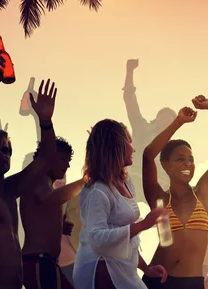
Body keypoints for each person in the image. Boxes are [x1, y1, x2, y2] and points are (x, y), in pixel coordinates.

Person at [0, 55, 57, 289]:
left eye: (7, 150)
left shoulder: (10, 190)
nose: (3, 154)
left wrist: (45, 121)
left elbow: (47, 160)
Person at [141, 95, 208, 289]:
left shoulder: (204, 194)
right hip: (157, 282)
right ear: (166, 166)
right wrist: (178, 122)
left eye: (191, 159)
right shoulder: (159, 199)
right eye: (180, 159)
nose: (188, 163)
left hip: (192, 283)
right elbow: (148, 155)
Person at [73, 119, 168, 289]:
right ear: (115, 146)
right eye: (129, 143)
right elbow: (97, 238)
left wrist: (146, 268)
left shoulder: (126, 183)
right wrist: (143, 224)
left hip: (124, 267)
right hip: (100, 267)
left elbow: (125, 237)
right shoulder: (97, 190)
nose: (133, 148)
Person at [20, 137, 84, 289]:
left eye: (68, 160)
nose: (67, 165)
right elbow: (50, 199)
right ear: (49, 159)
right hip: (37, 261)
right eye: (63, 159)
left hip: (47, 262)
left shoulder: (46, 184)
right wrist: (85, 180)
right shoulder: (37, 180)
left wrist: (60, 227)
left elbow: (39, 220)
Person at [123, 58, 175, 200]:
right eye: (164, 117)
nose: (166, 122)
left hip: (159, 190)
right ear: (156, 119)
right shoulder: (142, 128)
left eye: (171, 121)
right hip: (133, 182)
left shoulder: (174, 148)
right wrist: (129, 72)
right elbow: (129, 99)